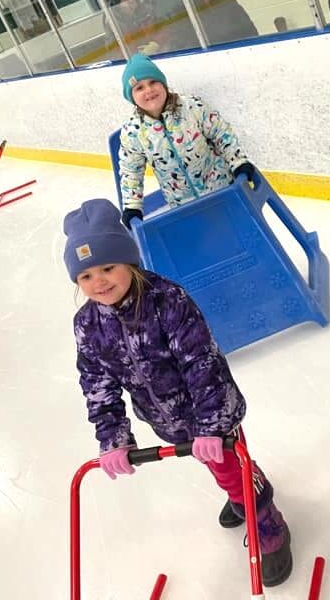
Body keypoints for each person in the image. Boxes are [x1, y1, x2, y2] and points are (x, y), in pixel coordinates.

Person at [63, 198, 293, 586]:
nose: (98, 282)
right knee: (221, 468)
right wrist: (114, 438)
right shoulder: (87, 324)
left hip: (212, 412)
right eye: (85, 276)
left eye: (107, 267)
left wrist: (211, 426)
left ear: (129, 261)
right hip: (167, 420)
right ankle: (238, 494)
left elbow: (200, 363)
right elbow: (97, 385)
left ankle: (269, 526)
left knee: (232, 467)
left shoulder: (166, 301)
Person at [118, 53, 256, 229]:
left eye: (153, 82)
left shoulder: (191, 107)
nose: (149, 90)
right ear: (132, 97)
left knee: (242, 229)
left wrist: (238, 162)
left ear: (163, 83)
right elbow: (131, 170)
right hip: (183, 204)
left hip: (222, 187)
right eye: (139, 88)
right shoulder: (133, 132)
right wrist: (132, 206)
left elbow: (220, 133)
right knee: (211, 240)